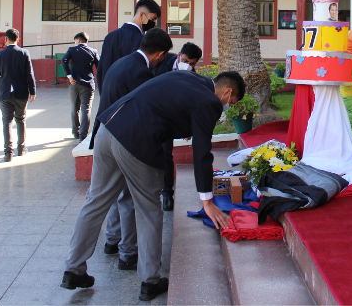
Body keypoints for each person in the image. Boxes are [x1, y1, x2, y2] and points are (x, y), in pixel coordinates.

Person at [61, 70, 244, 302]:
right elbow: (201, 151)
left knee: (95, 202)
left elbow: (165, 107)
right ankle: (150, 281)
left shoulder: (189, 78)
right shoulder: (210, 101)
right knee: (148, 210)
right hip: (136, 141)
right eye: (231, 101)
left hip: (109, 128)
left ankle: (73, 270)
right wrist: (207, 201)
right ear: (227, 91)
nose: (227, 106)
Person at [91, 28, 172, 271]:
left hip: (103, 133)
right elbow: (146, 111)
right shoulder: (140, 72)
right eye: (163, 56)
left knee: (111, 196)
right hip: (124, 140)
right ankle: (128, 252)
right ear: (160, 53)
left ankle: (111, 241)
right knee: (127, 197)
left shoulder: (120, 63)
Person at [153, 42, 203, 211]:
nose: (188, 65)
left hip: (168, 120)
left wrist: (187, 126)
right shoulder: (161, 61)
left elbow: (190, 102)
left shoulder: (192, 75)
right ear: (179, 55)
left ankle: (167, 194)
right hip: (151, 112)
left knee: (166, 155)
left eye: (192, 64)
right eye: (186, 60)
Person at [96, 0, 161, 94]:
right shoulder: (142, 41)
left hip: (107, 98)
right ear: (142, 14)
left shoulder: (110, 37)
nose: (153, 23)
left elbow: (100, 71)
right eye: (152, 19)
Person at [0, 28, 36, 162]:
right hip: (21, 93)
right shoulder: (24, 53)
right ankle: (21, 149)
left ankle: (8, 153)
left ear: (5, 39)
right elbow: (30, 74)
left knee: (7, 122)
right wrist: (32, 91)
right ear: (18, 39)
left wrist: (1, 87)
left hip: (5, 93)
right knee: (20, 120)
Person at [62, 33, 100, 140]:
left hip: (74, 83)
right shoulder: (93, 51)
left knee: (74, 108)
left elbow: (64, 60)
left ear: (78, 40)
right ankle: (83, 135)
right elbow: (99, 67)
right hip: (88, 84)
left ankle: (75, 131)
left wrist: (69, 76)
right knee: (86, 109)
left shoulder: (72, 50)